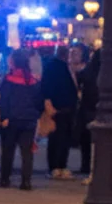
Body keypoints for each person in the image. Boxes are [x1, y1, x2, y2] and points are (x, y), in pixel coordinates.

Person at [0, 49, 43, 191]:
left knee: (7, 150)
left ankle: (5, 179)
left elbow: (3, 100)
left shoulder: (8, 80)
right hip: (29, 120)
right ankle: (26, 181)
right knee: (27, 152)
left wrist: (3, 116)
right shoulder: (33, 81)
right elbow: (39, 102)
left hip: (11, 120)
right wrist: (35, 114)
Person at [41, 46, 79, 180]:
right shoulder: (58, 67)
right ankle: (56, 166)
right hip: (60, 108)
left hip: (63, 107)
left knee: (61, 138)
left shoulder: (60, 67)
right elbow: (48, 86)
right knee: (58, 138)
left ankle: (59, 166)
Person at [76, 48, 100, 182]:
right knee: (96, 141)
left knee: (86, 140)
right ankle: (93, 165)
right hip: (98, 109)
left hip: (86, 108)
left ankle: (85, 164)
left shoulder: (88, 71)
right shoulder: (104, 73)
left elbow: (78, 81)